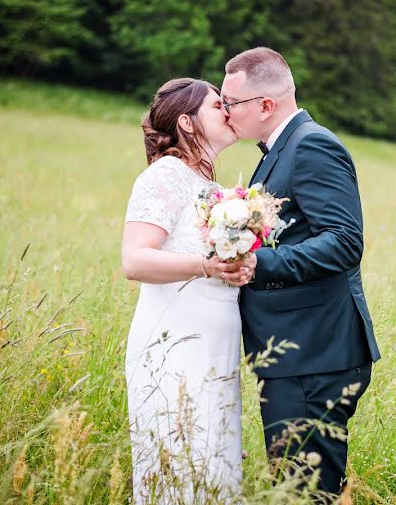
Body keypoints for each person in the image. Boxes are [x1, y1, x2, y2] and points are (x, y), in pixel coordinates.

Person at [221, 47, 380, 497]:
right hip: (299, 351)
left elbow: (346, 241)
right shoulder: (278, 149)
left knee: (305, 492)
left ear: (266, 106)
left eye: (231, 103)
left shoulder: (311, 145)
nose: (225, 111)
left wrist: (258, 263)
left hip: (316, 353)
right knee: (295, 487)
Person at [121, 78, 256, 504]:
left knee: (212, 474)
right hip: (173, 347)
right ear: (188, 122)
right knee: (177, 471)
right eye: (219, 105)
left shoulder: (216, 190)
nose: (230, 111)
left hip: (216, 348)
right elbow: (135, 260)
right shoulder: (166, 176)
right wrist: (205, 265)